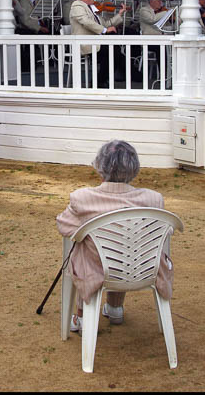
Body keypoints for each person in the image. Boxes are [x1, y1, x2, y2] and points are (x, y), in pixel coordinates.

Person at [56, 140, 174, 331]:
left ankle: (83, 316)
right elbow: (166, 230)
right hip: (142, 269)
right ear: (134, 167)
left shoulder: (83, 198)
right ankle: (115, 307)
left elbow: (64, 226)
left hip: (98, 270)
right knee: (125, 247)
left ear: (100, 166)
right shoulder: (154, 199)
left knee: (86, 248)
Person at [69, 0, 127, 87]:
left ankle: (100, 80)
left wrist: (120, 14)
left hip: (96, 43)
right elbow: (86, 22)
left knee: (116, 53)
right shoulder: (77, 5)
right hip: (86, 44)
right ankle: (100, 81)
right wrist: (105, 31)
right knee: (114, 51)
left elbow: (106, 24)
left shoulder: (91, 8)